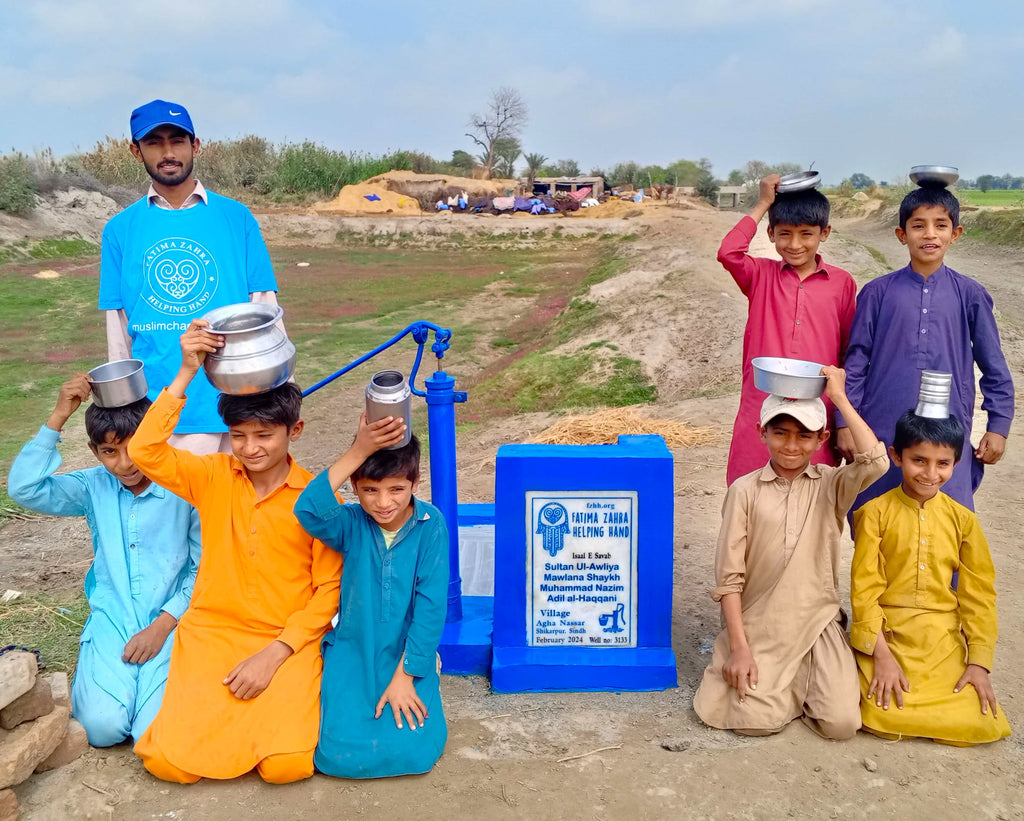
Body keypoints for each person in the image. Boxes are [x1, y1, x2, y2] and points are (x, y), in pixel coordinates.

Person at [129, 321, 342, 783]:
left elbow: (329, 592)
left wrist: (275, 654)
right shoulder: (212, 476)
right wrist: (186, 371)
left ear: (295, 430)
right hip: (211, 634)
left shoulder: (318, 499)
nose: (250, 448)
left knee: (287, 767)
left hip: (286, 641)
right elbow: (144, 450)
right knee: (169, 764)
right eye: (239, 435)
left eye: (265, 435)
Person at [693, 366, 888, 738]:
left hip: (818, 621)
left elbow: (876, 461)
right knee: (755, 723)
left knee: (842, 725)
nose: (791, 445)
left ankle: (800, 681)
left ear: (822, 439)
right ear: (762, 433)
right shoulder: (744, 490)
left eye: (804, 435)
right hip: (760, 622)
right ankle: (790, 684)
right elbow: (729, 578)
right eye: (780, 433)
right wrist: (739, 648)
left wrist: (841, 398)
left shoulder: (832, 483)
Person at [7, 374, 200, 747]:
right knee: (102, 728)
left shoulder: (186, 485)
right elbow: (24, 488)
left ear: (155, 441)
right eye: (110, 452)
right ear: (96, 452)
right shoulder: (93, 486)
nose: (124, 463)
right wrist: (59, 415)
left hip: (175, 620)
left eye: (134, 447)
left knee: (152, 734)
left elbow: (203, 567)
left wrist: (161, 626)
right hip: (112, 618)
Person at [98, 99, 282, 455]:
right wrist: (124, 409)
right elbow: (118, 329)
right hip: (161, 409)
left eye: (177, 140)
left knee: (236, 511)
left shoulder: (236, 218)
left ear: (195, 145)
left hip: (239, 406)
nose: (168, 152)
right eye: (154, 142)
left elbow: (265, 309)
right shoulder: (120, 230)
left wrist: (282, 390)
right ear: (136, 151)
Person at [837, 185, 1013, 513]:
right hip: (882, 430)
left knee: (948, 525)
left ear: (955, 233)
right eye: (918, 225)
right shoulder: (877, 293)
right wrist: (845, 423)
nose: (929, 234)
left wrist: (998, 425)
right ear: (901, 234)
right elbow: (856, 361)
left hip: (949, 430)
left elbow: (994, 366)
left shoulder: (970, 295)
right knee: (876, 521)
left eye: (940, 225)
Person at [294, 416, 449, 778]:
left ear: (416, 482)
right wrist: (359, 450)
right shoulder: (349, 523)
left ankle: (430, 669)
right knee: (336, 755)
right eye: (369, 490)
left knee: (413, 752)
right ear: (353, 486)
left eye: (397, 489)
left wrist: (407, 675)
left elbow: (430, 608)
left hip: (407, 651)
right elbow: (307, 509)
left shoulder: (431, 524)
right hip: (353, 647)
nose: (383, 503)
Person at [851, 411, 1011, 745]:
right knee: (877, 712)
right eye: (919, 460)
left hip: (941, 637)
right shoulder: (873, 514)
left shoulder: (964, 521)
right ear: (897, 456)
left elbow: (978, 594)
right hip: (889, 634)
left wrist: (979, 663)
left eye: (942, 463)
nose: (929, 473)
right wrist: (881, 656)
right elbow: (864, 591)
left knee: (978, 722)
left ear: (956, 464)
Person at [717, 173, 857, 484]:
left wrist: (843, 418)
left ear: (825, 233)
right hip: (761, 402)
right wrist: (764, 202)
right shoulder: (760, 275)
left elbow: (847, 352)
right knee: (749, 490)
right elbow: (728, 252)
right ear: (770, 233)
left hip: (816, 406)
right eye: (785, 234)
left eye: (806, 234)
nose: (795, 245)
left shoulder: (841, 283)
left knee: (815, 497)